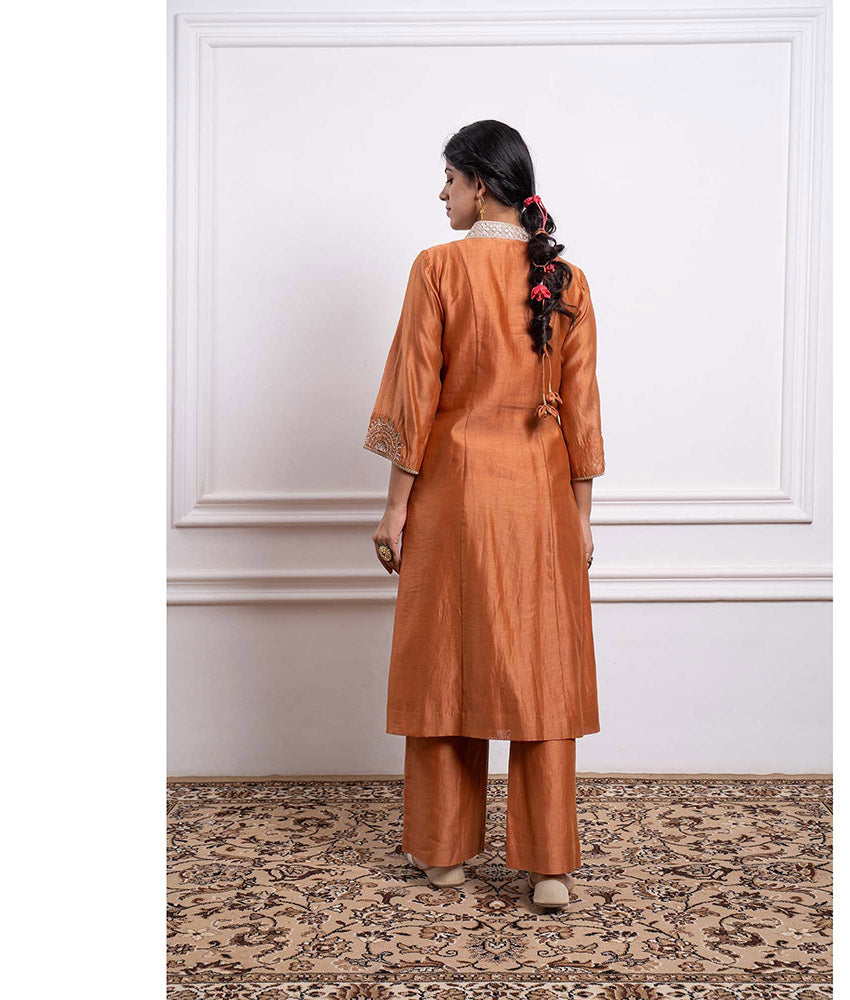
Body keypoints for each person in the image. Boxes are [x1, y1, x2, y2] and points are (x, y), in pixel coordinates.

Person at [362, 120, 605, 911]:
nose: (442, 194)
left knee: (446, 667)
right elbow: (582, 411)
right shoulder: (566, 280)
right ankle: (549, 868)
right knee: (543, 670)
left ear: (480, 183)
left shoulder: (438, 268)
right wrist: (583, 518)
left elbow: (415, 395)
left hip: (455, 496)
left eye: (449, 179)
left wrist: (394, 510)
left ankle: (443, 856)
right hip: (541, 501)